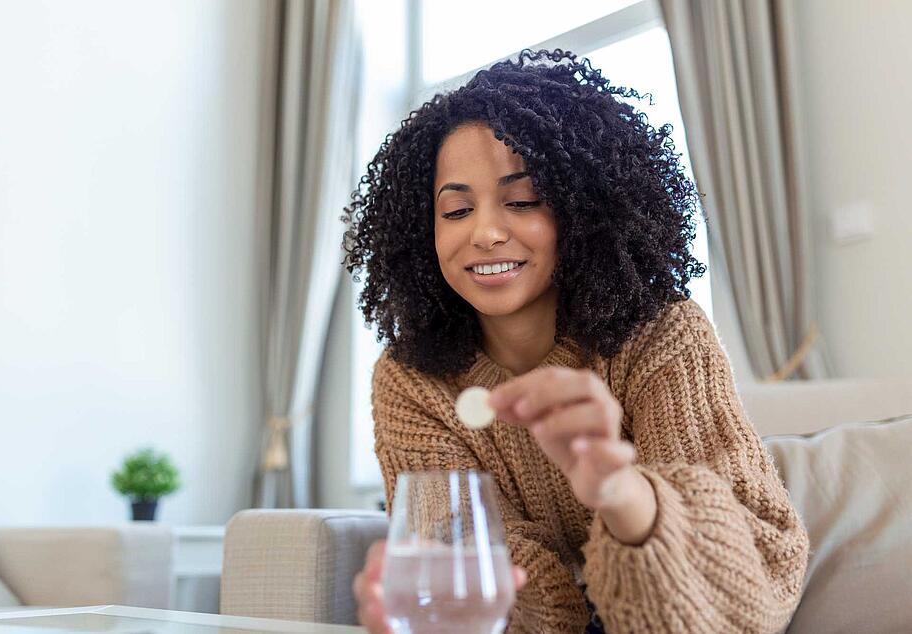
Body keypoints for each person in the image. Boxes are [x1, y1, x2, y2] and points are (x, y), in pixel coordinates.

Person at [342, 49, 808, 633]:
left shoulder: (664, 336)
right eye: (457, 209)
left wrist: (624, 494)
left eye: (522, 201)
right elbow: (505, 597)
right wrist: (443, 603)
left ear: (585, 209)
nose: (485, 232)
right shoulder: (412, 382)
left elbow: (755, 593)